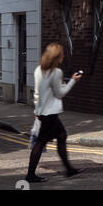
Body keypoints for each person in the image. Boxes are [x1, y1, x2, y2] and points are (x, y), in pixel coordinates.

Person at [26, 44, 83, 184]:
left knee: (61, 136)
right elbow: (60, 93)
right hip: (50, 113)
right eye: (62, 54)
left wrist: (36, 110)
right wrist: (73, 81)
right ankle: (30, 175)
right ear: (56, 57)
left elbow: (38, 92)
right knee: (40, 142)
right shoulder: (56, 72)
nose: (63, 56)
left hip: (43, 112)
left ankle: (69, 169)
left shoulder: (39, 70)